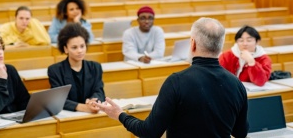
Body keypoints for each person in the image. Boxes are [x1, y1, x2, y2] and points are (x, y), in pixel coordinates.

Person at [96, 17, 249, 138]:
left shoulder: (177, 82)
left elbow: (150, 132)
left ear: (193, 44)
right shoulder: (236, 84)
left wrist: (120, 115)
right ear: (220, 46)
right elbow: (240, 133)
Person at [47, 23, 104, 113]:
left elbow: (99, 91)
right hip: (68, 116)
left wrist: (93, 101)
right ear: (65, 49)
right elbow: (58, 100)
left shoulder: (95, 67)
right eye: (74, 47)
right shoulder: (55, 70)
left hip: (91, 114)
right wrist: (83, 107)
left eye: (82, 46)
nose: (80, 51)